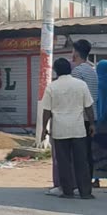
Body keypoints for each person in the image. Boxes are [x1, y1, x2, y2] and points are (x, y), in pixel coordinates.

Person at [41, 58, 95, 199]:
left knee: (64, 162)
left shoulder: (52, 87)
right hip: (78, 129)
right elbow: (88, 107)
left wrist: (43, 130)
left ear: (56, 71)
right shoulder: (81, 85)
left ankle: (68, 192)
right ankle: (85, 192)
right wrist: (92, 124)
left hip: (60, 130)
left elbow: (46, 111)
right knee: (81, 162)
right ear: (70, 69)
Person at [71, 39, 99, 188]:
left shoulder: (77, 71)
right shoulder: (92, 70)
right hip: (92, 117)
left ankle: (79, 183)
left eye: (72, 50)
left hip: (80, 117)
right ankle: (86, 182)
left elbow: (75, 96)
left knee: (78, 153)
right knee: (88, 152)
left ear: (76, 52)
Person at [94, 60, 107, 187]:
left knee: (98, 151)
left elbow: (101, 105)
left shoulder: (100, 84)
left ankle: (97, 179)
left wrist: (99, 121)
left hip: (102, 124)